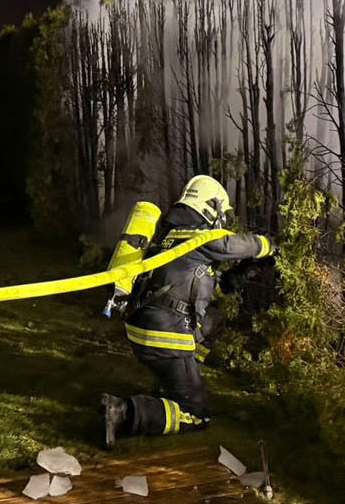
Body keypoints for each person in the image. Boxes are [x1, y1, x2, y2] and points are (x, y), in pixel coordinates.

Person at [100, 175, 274, 447]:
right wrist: (269, 245)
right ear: (211, 207)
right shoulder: (199, 237)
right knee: (196, 413)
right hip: (164, 332)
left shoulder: (170, 237)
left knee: (215, 320)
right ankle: (123, 412)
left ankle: (177, 378)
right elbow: (233, 245)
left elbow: (198, 289)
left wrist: (239, 275)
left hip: (146, 325)